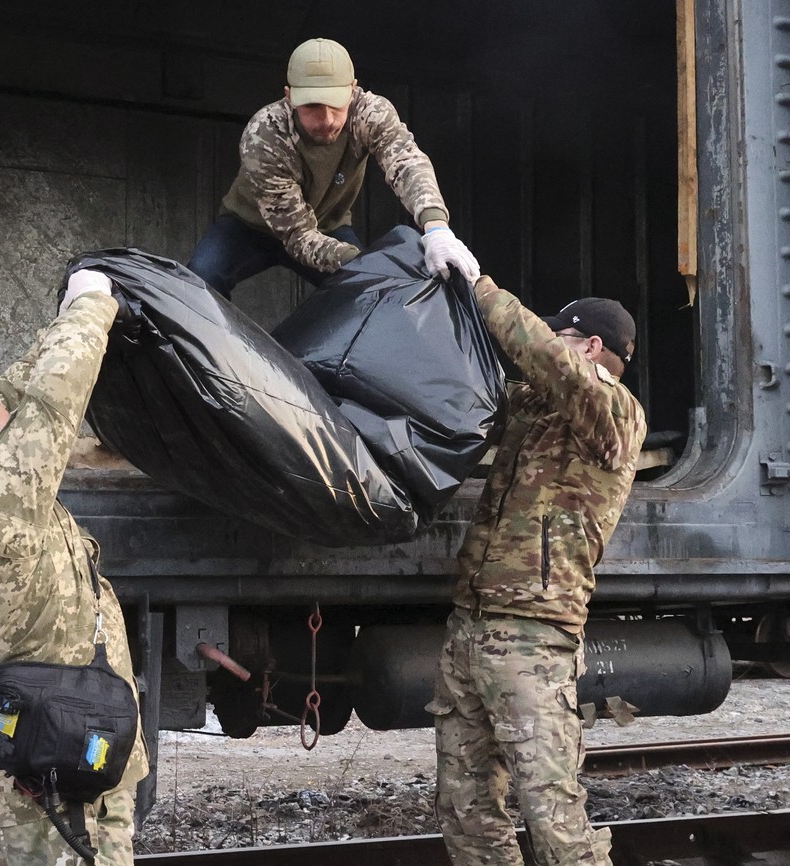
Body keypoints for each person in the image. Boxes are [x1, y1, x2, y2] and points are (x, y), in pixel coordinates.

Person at [0, 269, 146, 866]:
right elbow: (53, 400)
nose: (15, 431)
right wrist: (91, 307)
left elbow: (12, 399)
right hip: (56, 766)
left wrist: (59, 318)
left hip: (62, 743)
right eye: (5, 436)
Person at [428, 282, 647, 866]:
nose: (550, 343)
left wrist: (478, 287)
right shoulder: (535, 407)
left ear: (593, 347)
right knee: (465, 808)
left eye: (563, 334)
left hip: (533, 635)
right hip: (471, 627)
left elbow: (547, 358)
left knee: (552, 815)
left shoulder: (616, 414)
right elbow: (471, 398)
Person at [188, 37, 480, 298]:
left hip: (329, 226)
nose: (326, 119)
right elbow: (298, 236)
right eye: (313, 106)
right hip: (249, 228)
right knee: (201, 279)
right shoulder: (264, 135)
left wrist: (436, 228)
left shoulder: (370, 113)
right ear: (289, 96)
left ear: (353, 90)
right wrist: (367, 261)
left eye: (336, 104)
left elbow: (406, 163)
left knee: (366, 294)